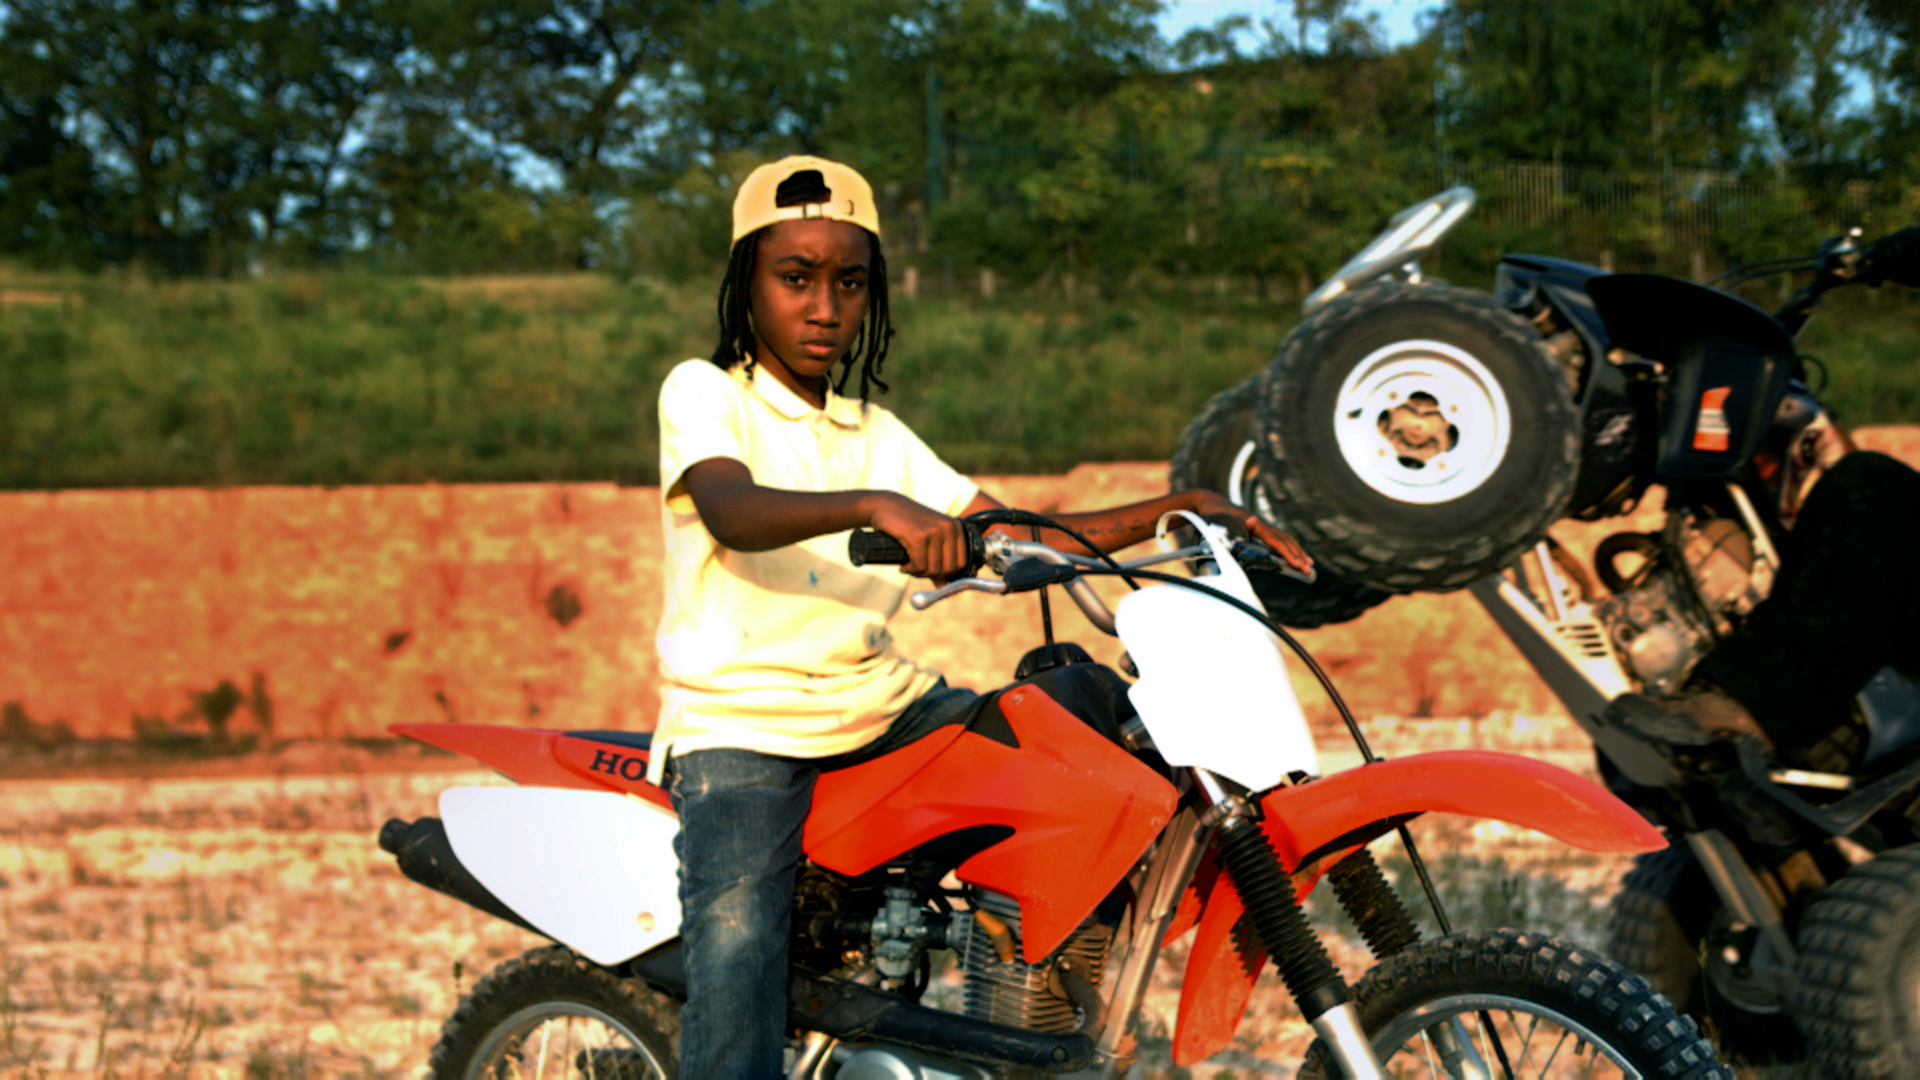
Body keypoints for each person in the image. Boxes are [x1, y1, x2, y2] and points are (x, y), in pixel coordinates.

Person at [652, 154, 1312, 1078]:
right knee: (737, 958)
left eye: (850, 283)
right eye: (795, 278)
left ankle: (1032, 1010)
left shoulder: (875, 434)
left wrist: (1184, 509)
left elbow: (1012, 530)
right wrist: (876, 506)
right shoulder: (706, 392)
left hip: (884, 707)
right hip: (743, 725)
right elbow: (731, 509)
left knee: (1075, 744)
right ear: (746, 282)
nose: (825, 307)